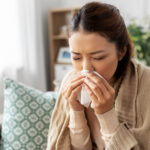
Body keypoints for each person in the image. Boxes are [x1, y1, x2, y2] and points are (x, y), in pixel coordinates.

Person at [46, 2, 150, 150]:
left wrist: (106, 114)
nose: (86, 68)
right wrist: (76, 110)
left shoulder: (146, 84)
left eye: (98, 57)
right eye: (76, 58)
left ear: (121, 52)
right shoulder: (70, 81)